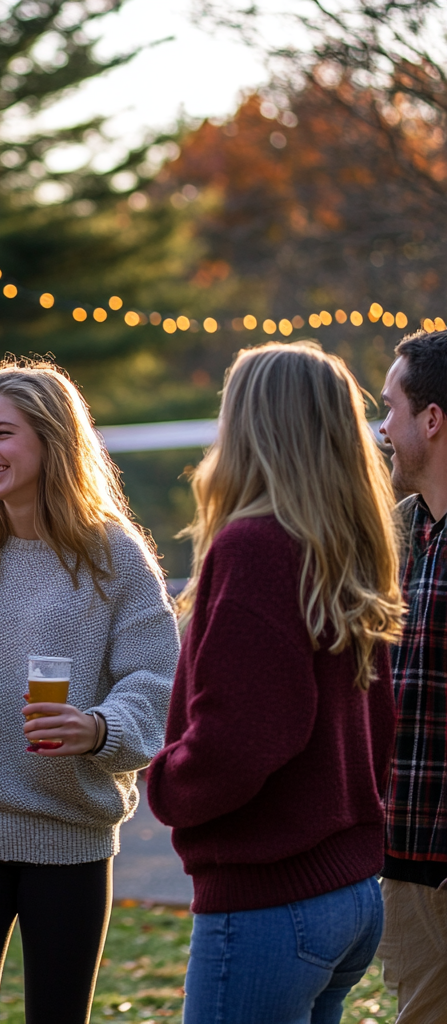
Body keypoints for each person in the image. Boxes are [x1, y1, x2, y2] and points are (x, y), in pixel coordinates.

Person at [0, 358, 180, 1024]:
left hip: (70, 837)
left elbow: (159, 679)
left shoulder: (115, 553)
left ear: (52, 440)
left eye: (1, 433)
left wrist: (101, 729)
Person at [147, 341, 403, 1024]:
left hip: (271, 901)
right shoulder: (345, 547)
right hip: (348, 894)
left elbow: (243, 737)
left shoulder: (255, 546)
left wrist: (166, 780)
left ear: (253, 426)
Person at [376, 329, 447, 1023]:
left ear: (432, 420)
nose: (383, 429)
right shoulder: (402, 532)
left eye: (390, 410)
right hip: (406, 858)